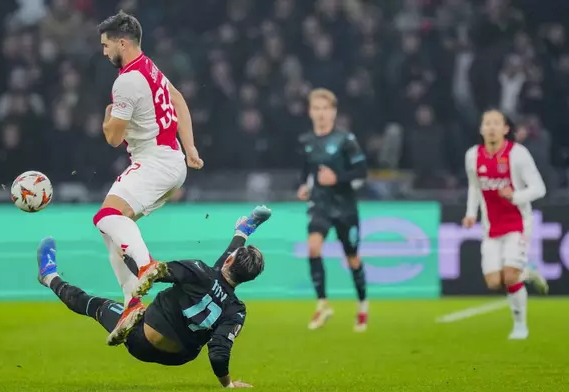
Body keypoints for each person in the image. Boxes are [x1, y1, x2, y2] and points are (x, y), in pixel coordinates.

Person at [37, 206, 271, 388]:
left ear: (230, 259)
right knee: (213, 279)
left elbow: (153, 273)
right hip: (180, 356)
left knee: (95, 305)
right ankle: (244, 229)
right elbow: (219, 352)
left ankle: (49, 276)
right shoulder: (237, 310)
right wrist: (228, 384)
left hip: (141, 338)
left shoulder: (199, 269)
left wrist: (127, 256)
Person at [92, 11, 204, 344]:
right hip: (171, 162)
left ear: (121, 43)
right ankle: (132, 302)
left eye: (105, 45)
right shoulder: (150, 67)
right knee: (113, 232)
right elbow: (179, 99)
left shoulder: (125, 81)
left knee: (105, 216)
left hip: (154, 162)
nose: (103, 52)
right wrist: (191, 148)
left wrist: (107, 116)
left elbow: (113, 138)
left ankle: (146, 265)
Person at [462, 109, 549, 340]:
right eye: (487, 123)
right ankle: (528, 274)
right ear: (481, 129)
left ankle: (520, 326)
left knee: (509, 277)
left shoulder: (517, 154)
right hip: (490, 229)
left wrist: (515, 196)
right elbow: (474, 186)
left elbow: (540, 188)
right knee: (493, 282)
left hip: (517, 224)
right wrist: (471, 213)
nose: (491, 127)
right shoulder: (473, 156)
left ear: (505, 129)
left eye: (496, 123)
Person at [296, 88, 369, 332]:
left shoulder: (346, 140)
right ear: (310, 112)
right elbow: (306, 171)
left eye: (325, 108)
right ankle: (322, 303)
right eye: (316, 108)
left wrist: (337, 178)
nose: (321, 113)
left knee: (352, 258)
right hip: (320, 205)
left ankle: (362, 306)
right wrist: (304, 187)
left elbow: (361, 173)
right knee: (313, 247)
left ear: (334, 112)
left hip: (345, 207)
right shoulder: (306, 141)